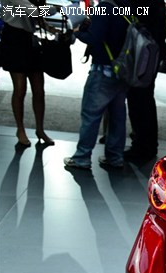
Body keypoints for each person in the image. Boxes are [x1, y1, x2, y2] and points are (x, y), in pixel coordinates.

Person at [63, 0, 130, 170]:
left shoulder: (104, 7)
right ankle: (115, 157)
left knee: (91, 116)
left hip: (102, 71)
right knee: (117, 117)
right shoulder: (127, 7)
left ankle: (82, 158)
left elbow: (94, 37)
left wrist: (77, 31)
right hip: (122, 70)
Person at [0, 0, 56, 147]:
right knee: (20, 89)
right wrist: (56, 9)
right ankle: (20, 129)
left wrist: (47, 25)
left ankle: (40, 129)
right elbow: (34, 11)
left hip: (29, 38)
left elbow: (32, 14)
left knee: (39, 90)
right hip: (14, 39)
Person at [124, 0, 166, 163]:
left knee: (139, 99)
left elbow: (140, 11)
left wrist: (109, 9)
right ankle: (145, 144)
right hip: (150, 51)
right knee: (144, 99)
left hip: (145, 53)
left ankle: (142, 146)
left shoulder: (147, 4)